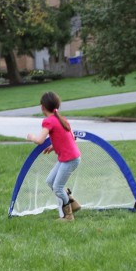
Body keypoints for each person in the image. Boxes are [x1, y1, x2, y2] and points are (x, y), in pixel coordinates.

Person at [26, 91, 82, 221]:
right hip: (69, 158)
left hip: (70, 159)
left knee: (57, 187)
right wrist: (54, 146)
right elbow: (71, 138)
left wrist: (31, 137)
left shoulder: (49, 121)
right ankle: (72, 202)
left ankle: (68, 215)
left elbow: (39, 140)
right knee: (50, 181)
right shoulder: (61, 119)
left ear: (43, 107)